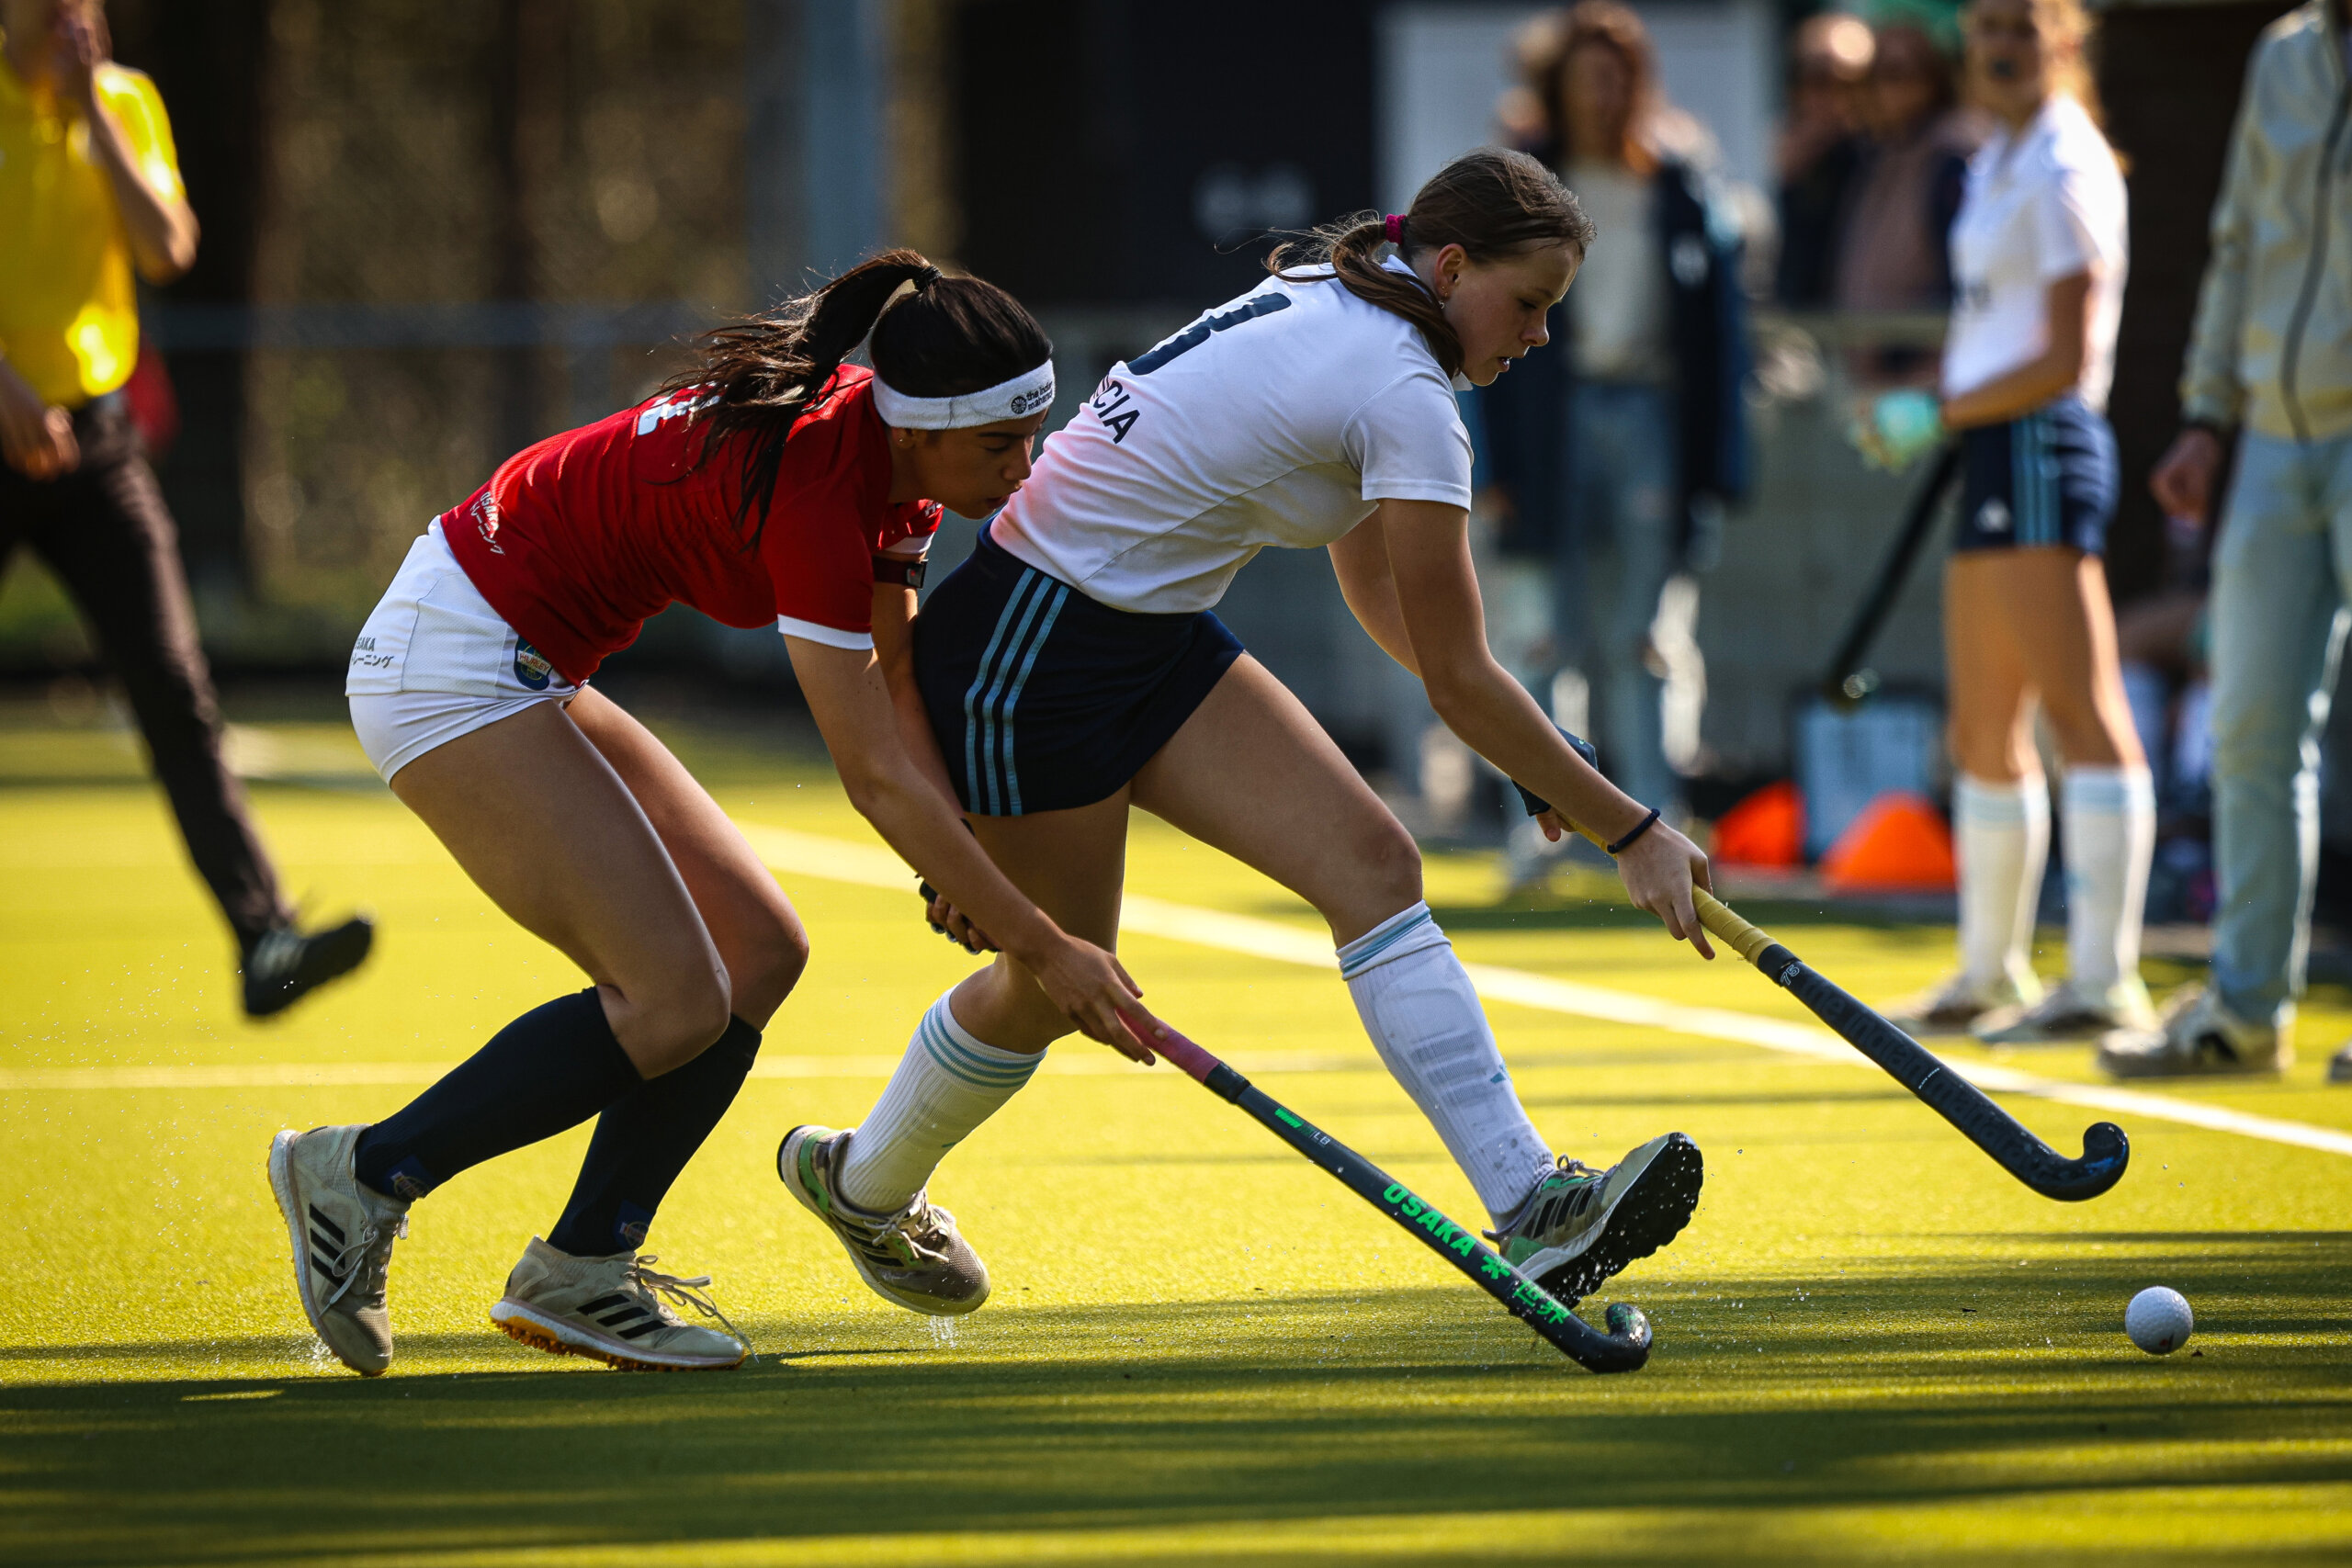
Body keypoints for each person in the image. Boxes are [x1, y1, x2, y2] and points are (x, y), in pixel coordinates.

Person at [776, 149, 1715, 1322]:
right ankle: (862, 1183)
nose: (1537, 335)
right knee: (1049, 981)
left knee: (1373, 866)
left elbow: (1379, 588)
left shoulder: (1354, 303)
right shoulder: (1401, 385)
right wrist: (1632, 830)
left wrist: (1534, 760)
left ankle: (1531, 1206)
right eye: (1528, 303)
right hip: (1036, 645)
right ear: (1452, 267)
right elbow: (1462, 675)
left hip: (1149, 633)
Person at [267, 253, 1155, 1376]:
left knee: (759, 951)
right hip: (450, 665)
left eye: (1032, 436)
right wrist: (1042, 942)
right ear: (920, 426)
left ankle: (582, 1269)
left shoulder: (898, 473)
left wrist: (962, 862)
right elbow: (872, 776)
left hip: (530, 662)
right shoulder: (819, 492)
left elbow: (893, 675)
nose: (1022, 471)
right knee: (676, 998)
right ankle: (360, 1174)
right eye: (999, 445)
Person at [0, 0, 371, 1017]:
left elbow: (166, 247)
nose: (67, 18)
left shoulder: (123, 103)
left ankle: (265, 940)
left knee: (174, 688)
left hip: (96, 442)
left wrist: (91, 113)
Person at [1870, 0, 2154, 1044]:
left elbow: (2063, 358)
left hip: (2038, 441)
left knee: (2083, 712)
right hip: (1993, 443)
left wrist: (1938, 409)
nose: (1997, 47)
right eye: (1984, 27)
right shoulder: (1998, 155)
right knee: (1982, 727)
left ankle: (2105, 979)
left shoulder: (2066, 159)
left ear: (2063, 42)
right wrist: (1939, 406)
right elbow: (1995, 329)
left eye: (2020, 29)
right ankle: (1990, 971)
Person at [2103, 0, 2352, 1083]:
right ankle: (2245, 1011)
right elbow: (2240, 237)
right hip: (2271, 441)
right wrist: (2205, 414)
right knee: (2248, 726)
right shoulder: (2285, 52)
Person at [1483, 1, 1752, 843]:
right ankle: (1539, 828)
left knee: (1648, 633)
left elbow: (1722, 333)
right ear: (1558, 86)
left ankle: (1656, 817)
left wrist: (1720, 463)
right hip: (1549, 421)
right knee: (1542, 634)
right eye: (1587, 78)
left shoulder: (1678, 186)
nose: (1603, 95)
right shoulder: (1527, 183)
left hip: (1650, 417)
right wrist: (1492, 464)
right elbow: (1481, 325)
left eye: (1617, 78)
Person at [1834, 11, 1986, 382]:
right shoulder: (1879, 156)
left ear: (1934, 79)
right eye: (1875, 75)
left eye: (1899, 73)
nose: (1884, 88)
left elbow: (1964, 278)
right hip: (1875, 377)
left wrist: (1915, 363)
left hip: (1933, 375)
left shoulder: (1953, 158)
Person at [1776, 11, 1878, 308]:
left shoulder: (1883, 160)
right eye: (1818, 80)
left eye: (1850, 82)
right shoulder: (1799, 160)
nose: (1834, 97)